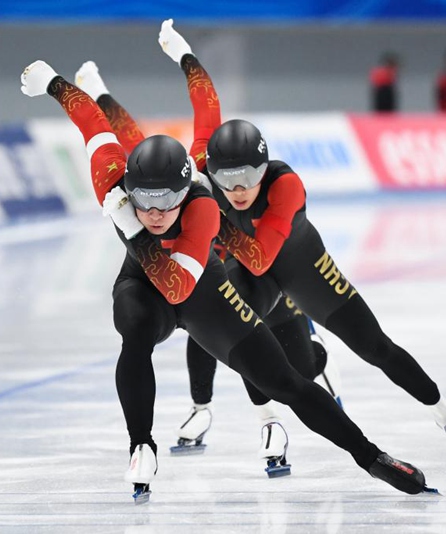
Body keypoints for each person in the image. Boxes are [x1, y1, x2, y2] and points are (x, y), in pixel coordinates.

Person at [19, 58, 435, 502]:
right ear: (128, 189)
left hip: (198, 288)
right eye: (145, 201)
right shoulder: (110, 179)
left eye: (167, 202)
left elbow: (179, 288)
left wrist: (135, 229)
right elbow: (92, 122)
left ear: (185, 194)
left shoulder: (203, 208)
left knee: (287, 382)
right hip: (142, 286)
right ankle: (141, 444)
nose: (156, 213)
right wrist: (52, 82)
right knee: (134, 329)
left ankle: (372, 458)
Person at [155, 21, 446, 459]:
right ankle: (268, 422)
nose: (238, 188)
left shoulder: (285, 186)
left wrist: (213, 219)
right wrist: (185, 55)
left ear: (264, 170)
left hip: (301, 268)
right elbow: (206, 99)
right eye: (227, 179)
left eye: (249, 178)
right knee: (237, 327)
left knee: (375, 347)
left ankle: (444, 411)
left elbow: (263, 257)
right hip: (254, 274)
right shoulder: (206, 165)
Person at [73, 57, 343, 476]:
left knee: (292, 367)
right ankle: (220, 412)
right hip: (205, 276)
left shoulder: (204, 170)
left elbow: (206, 109)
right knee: (201, 334)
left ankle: (310, 363)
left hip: (253, 273)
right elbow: (127, 142)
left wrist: (185, 57)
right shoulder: (160, 187)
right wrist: (100, 94)